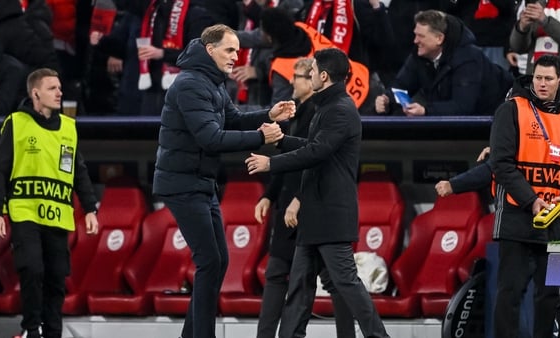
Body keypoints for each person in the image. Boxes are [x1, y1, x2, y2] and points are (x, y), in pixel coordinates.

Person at [152, 24, 295, 338]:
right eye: (230, 50)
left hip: (202, 183)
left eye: (237, 49)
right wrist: (260, 136)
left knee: (218, 260)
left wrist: (268, 113)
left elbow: (232, 118)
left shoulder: (212, 83)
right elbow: (210, 138)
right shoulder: (189, 84)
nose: (236, 56)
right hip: (181, 183)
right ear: (209, 49)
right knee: (209, 261)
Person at [245, 48, 390, 338]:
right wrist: (282, 140)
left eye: (311, 70)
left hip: (332, 216)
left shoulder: (341, 110)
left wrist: (270, 163)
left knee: (347, 283)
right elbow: (312, 146)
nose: (309, 74)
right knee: (299, 287)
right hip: (314, 214)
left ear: (323, 75)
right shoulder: (327, 107)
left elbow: (316, 152)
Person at [0, 68, 99, 338]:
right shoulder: (17, 123)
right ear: (35, 93)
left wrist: (90, 208)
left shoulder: (68, 128)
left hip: (57, 214)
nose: (60, 92)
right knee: (32, 268)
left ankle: (52, 332)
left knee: (56, 277)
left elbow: (78, 171)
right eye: (52, 88)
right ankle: (31, 329)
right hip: (25, 211)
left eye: (60, 87)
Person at [254, 57, 355, 338]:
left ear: (318, 78)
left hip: (310, 207)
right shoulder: (295, 113)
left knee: (336, 281)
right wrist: (269, 196)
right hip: (288, 205)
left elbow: (317, 159)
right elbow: (288, 158)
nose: (292, 82)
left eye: (299, 75)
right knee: (278, 274)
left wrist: (299, 200)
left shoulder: (326, 111)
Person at [489, 54, 560, 338]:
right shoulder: (510, 109)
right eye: (538, 78)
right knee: (510, 292)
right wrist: (531, 200)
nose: (542, 84)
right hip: (518, 216)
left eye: (549, 79)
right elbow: (501, 164)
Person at [374, 9, 513, 116]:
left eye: (420, 36)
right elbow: (401, 85)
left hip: (496, 112)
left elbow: (463, 106)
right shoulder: (419, 54)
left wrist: (425, 110)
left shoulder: (468, 57)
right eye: (415, 35)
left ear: (439, 38)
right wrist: (387, 99)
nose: (415, 41)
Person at [509, 0, 560, 105]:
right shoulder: (538, 4)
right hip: (534, 82)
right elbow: (518, 47)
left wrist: (545, 21)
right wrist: (522, 27)